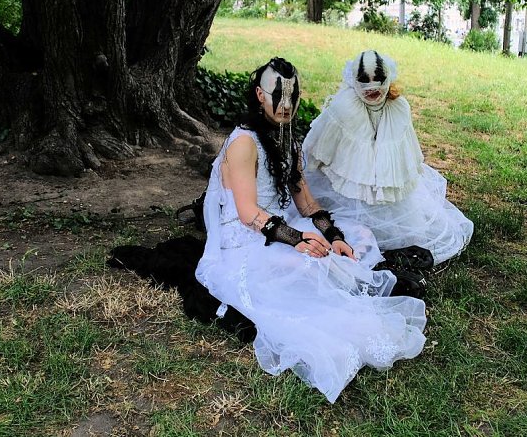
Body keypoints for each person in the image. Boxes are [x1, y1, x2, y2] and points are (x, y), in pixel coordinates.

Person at [195, 57, 426, 403]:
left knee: (357, 236)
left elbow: (306, 203)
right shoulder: (243, 142)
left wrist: (333, 236)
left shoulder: (286, 137)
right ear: (260, 95)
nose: (286, 105)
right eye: (278, 96)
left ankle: (352, 274)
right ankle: (351, 286)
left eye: (293, 96)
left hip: (282, 223)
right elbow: (246, 213)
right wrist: (298, 239)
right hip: (246, 240)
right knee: (308, 265)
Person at [303, 50, 474, 265]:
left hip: (387, 183)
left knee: (407, 232)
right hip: (349, 185)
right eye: (364, 81)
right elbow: (319, 145)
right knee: (349, 227)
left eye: (379, 80)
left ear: (388, 78)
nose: (372, 87)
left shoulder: (399, 107)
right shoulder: (344, 107)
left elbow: (406, 150)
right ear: (353, 80)